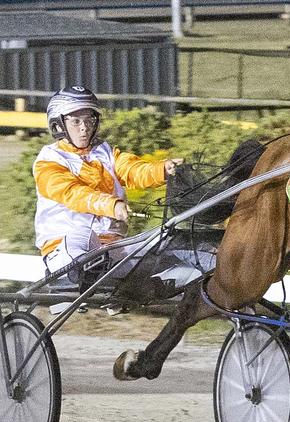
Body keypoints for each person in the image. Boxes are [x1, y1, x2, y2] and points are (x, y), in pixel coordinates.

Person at [33, 85, 182, 279]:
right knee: (83, 236)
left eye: (89, 120)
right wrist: (113, 205)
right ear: (59, 125)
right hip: (65, 249)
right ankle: (85, 274)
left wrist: (162, 169)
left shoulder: (106, 152)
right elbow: (74, 194)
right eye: (76, 121)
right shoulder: (48, 161)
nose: (84, 127)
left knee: (168, 242)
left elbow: (132, 169)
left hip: (113, 249)